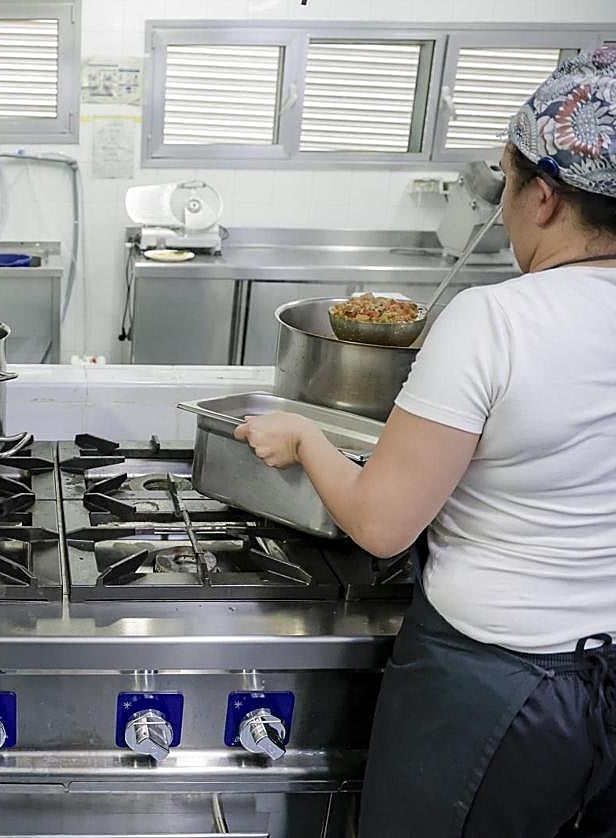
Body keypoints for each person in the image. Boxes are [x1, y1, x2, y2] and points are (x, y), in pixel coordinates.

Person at [236, 47, 616, 837]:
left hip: (499, 690)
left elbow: (382, 525)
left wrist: (305, 437)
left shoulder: (497, 320)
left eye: (505, 184)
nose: (502, 209)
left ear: (544, 198)